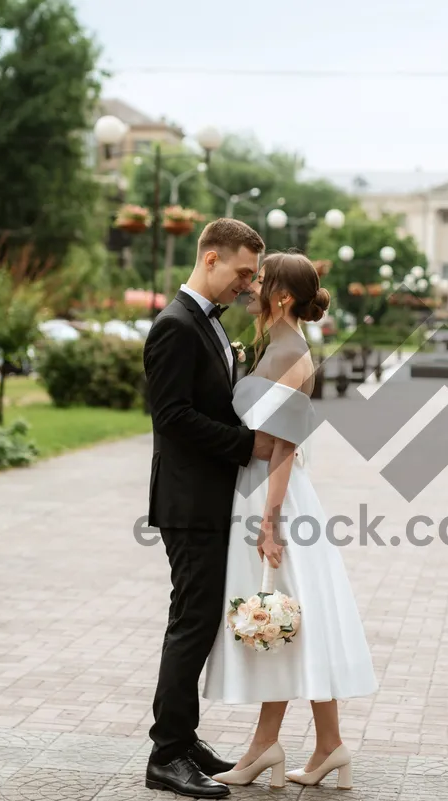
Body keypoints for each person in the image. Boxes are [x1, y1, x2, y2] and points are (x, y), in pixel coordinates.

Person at [203, 252, 379, 791]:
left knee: (286, 618)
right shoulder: (281, 345)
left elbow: (282, 448)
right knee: (297, 620)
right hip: (269, 494)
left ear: (280, 296)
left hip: (272, 497)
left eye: (261, 280)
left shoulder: (287, 351)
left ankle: (269, 748)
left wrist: (270, 521)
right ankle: (327, 747)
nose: (251, 286)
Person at [143, 218, 277, 799]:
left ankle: (184, 738)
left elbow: (214, 404)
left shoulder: (208, 325)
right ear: (211, 257)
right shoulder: (174, 326)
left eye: (253, 276)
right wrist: (250, 445)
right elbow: (171, 417)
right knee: (190, 625)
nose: (247, 286)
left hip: (211, 498)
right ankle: (166, 755)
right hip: (189, 502)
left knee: (198, 625)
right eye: (243, 273)